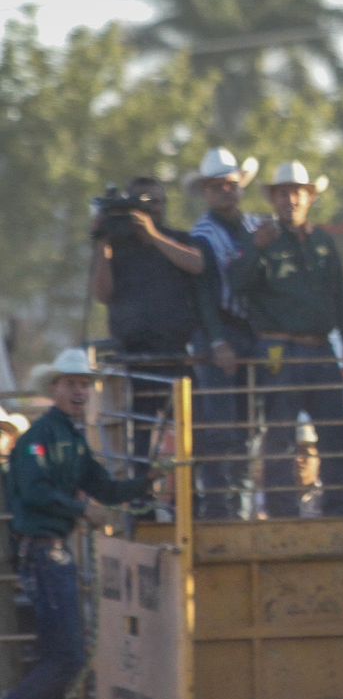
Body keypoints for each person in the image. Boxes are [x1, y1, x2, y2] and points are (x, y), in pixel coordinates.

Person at [0, 349, 154, 699]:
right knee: (64, 660)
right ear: (55, 389)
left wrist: (146, 483)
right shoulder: (40, 439)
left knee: (56, 659)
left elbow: (102, 485)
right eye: (72, 384)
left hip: (51, 550)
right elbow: (32, 492)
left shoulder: (67, 437)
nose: (80, 391)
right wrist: (81, 509)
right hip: (43, 550)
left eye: (84, 384)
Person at [232, 162, 343, 518]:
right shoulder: (260, 239)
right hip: (277, 347)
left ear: (309, 197)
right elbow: (237, 282)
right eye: (283, 193)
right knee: (281, 432)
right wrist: (255, 248)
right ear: (274, 199)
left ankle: (338, 506)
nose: (291, 199)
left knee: (335, 430)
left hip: (321, 346)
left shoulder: (322, 240)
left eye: (297, 192)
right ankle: (282, 509)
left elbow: (339, 294)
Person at [89, 176, 215, 477]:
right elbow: (102, 294)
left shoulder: (179, 239)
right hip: (132, 359)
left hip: (175, 356)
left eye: (157, 202)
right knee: (138, 442)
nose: (151, 209)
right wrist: (101, 242)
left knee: (192, 437)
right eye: (143, 202)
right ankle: (140, 509)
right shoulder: (118, 248)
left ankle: (193, 504)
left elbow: (197, 264)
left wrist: (153, 236)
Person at [186, 147, 264, 519]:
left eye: (231, 185)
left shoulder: (253, 226)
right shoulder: (202, 235)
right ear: (206, 191)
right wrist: (217, 340)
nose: (226, 192)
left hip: (251, 331)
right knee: (220, 424)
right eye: (218, 187)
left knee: (250, 421)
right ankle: (220, 505)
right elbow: (204, 293)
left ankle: (240, 501)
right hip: (219, 331)